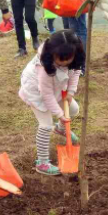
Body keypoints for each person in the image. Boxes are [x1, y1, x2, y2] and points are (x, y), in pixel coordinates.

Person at [19, 30, 85, 175]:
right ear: (52, 53)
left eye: (69, 58)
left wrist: (71, 91)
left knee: (73, 109)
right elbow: (46, 95)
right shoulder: (44, 67)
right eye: (61, 59)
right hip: (37, 92)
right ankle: (42, 163)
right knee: (46, 125)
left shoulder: (73, 59)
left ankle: (61, 129)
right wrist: (59, 114)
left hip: (56, 87)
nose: (65, 62)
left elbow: (75, 72)